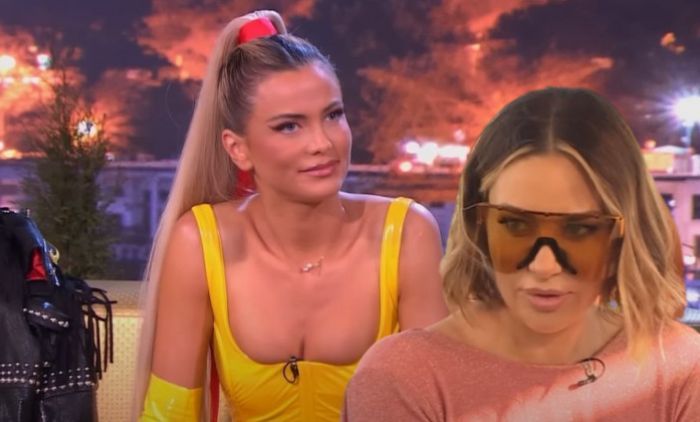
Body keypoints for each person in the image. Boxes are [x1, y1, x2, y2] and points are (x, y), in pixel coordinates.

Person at [133, 9, 449, 421]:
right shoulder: (200, 242)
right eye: (289, 126)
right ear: (238, 149)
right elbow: (169, 415)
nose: (322, 143)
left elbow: (437, 408)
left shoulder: (408, 233)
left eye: (333, 115)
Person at [343, 87, 700, 421]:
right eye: (515, 224)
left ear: (625, 232)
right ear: (477, 225)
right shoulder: (403, 378)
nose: (544, 266)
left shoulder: (682, 370)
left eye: (579, 229)